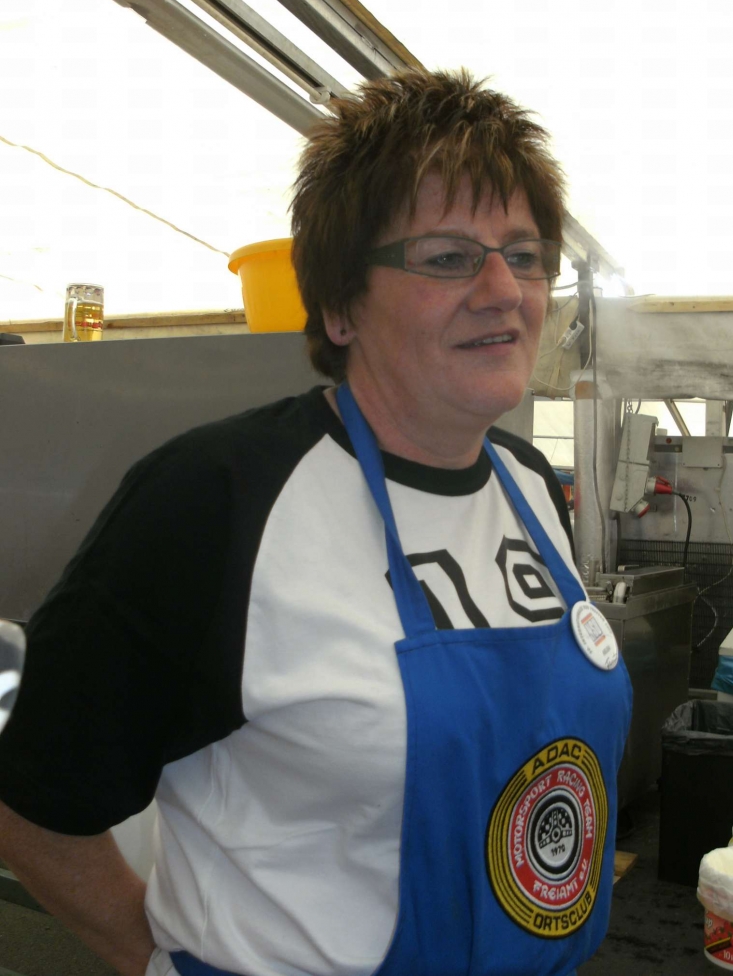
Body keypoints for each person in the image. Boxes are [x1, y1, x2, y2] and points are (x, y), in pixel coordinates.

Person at [0, 69, 632, 976]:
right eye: (447, 257)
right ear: (338, 305)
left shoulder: (528, 484)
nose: (504, 289)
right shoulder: (219, 497)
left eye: (524, 254)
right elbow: (30, 796)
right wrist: (152, 958)